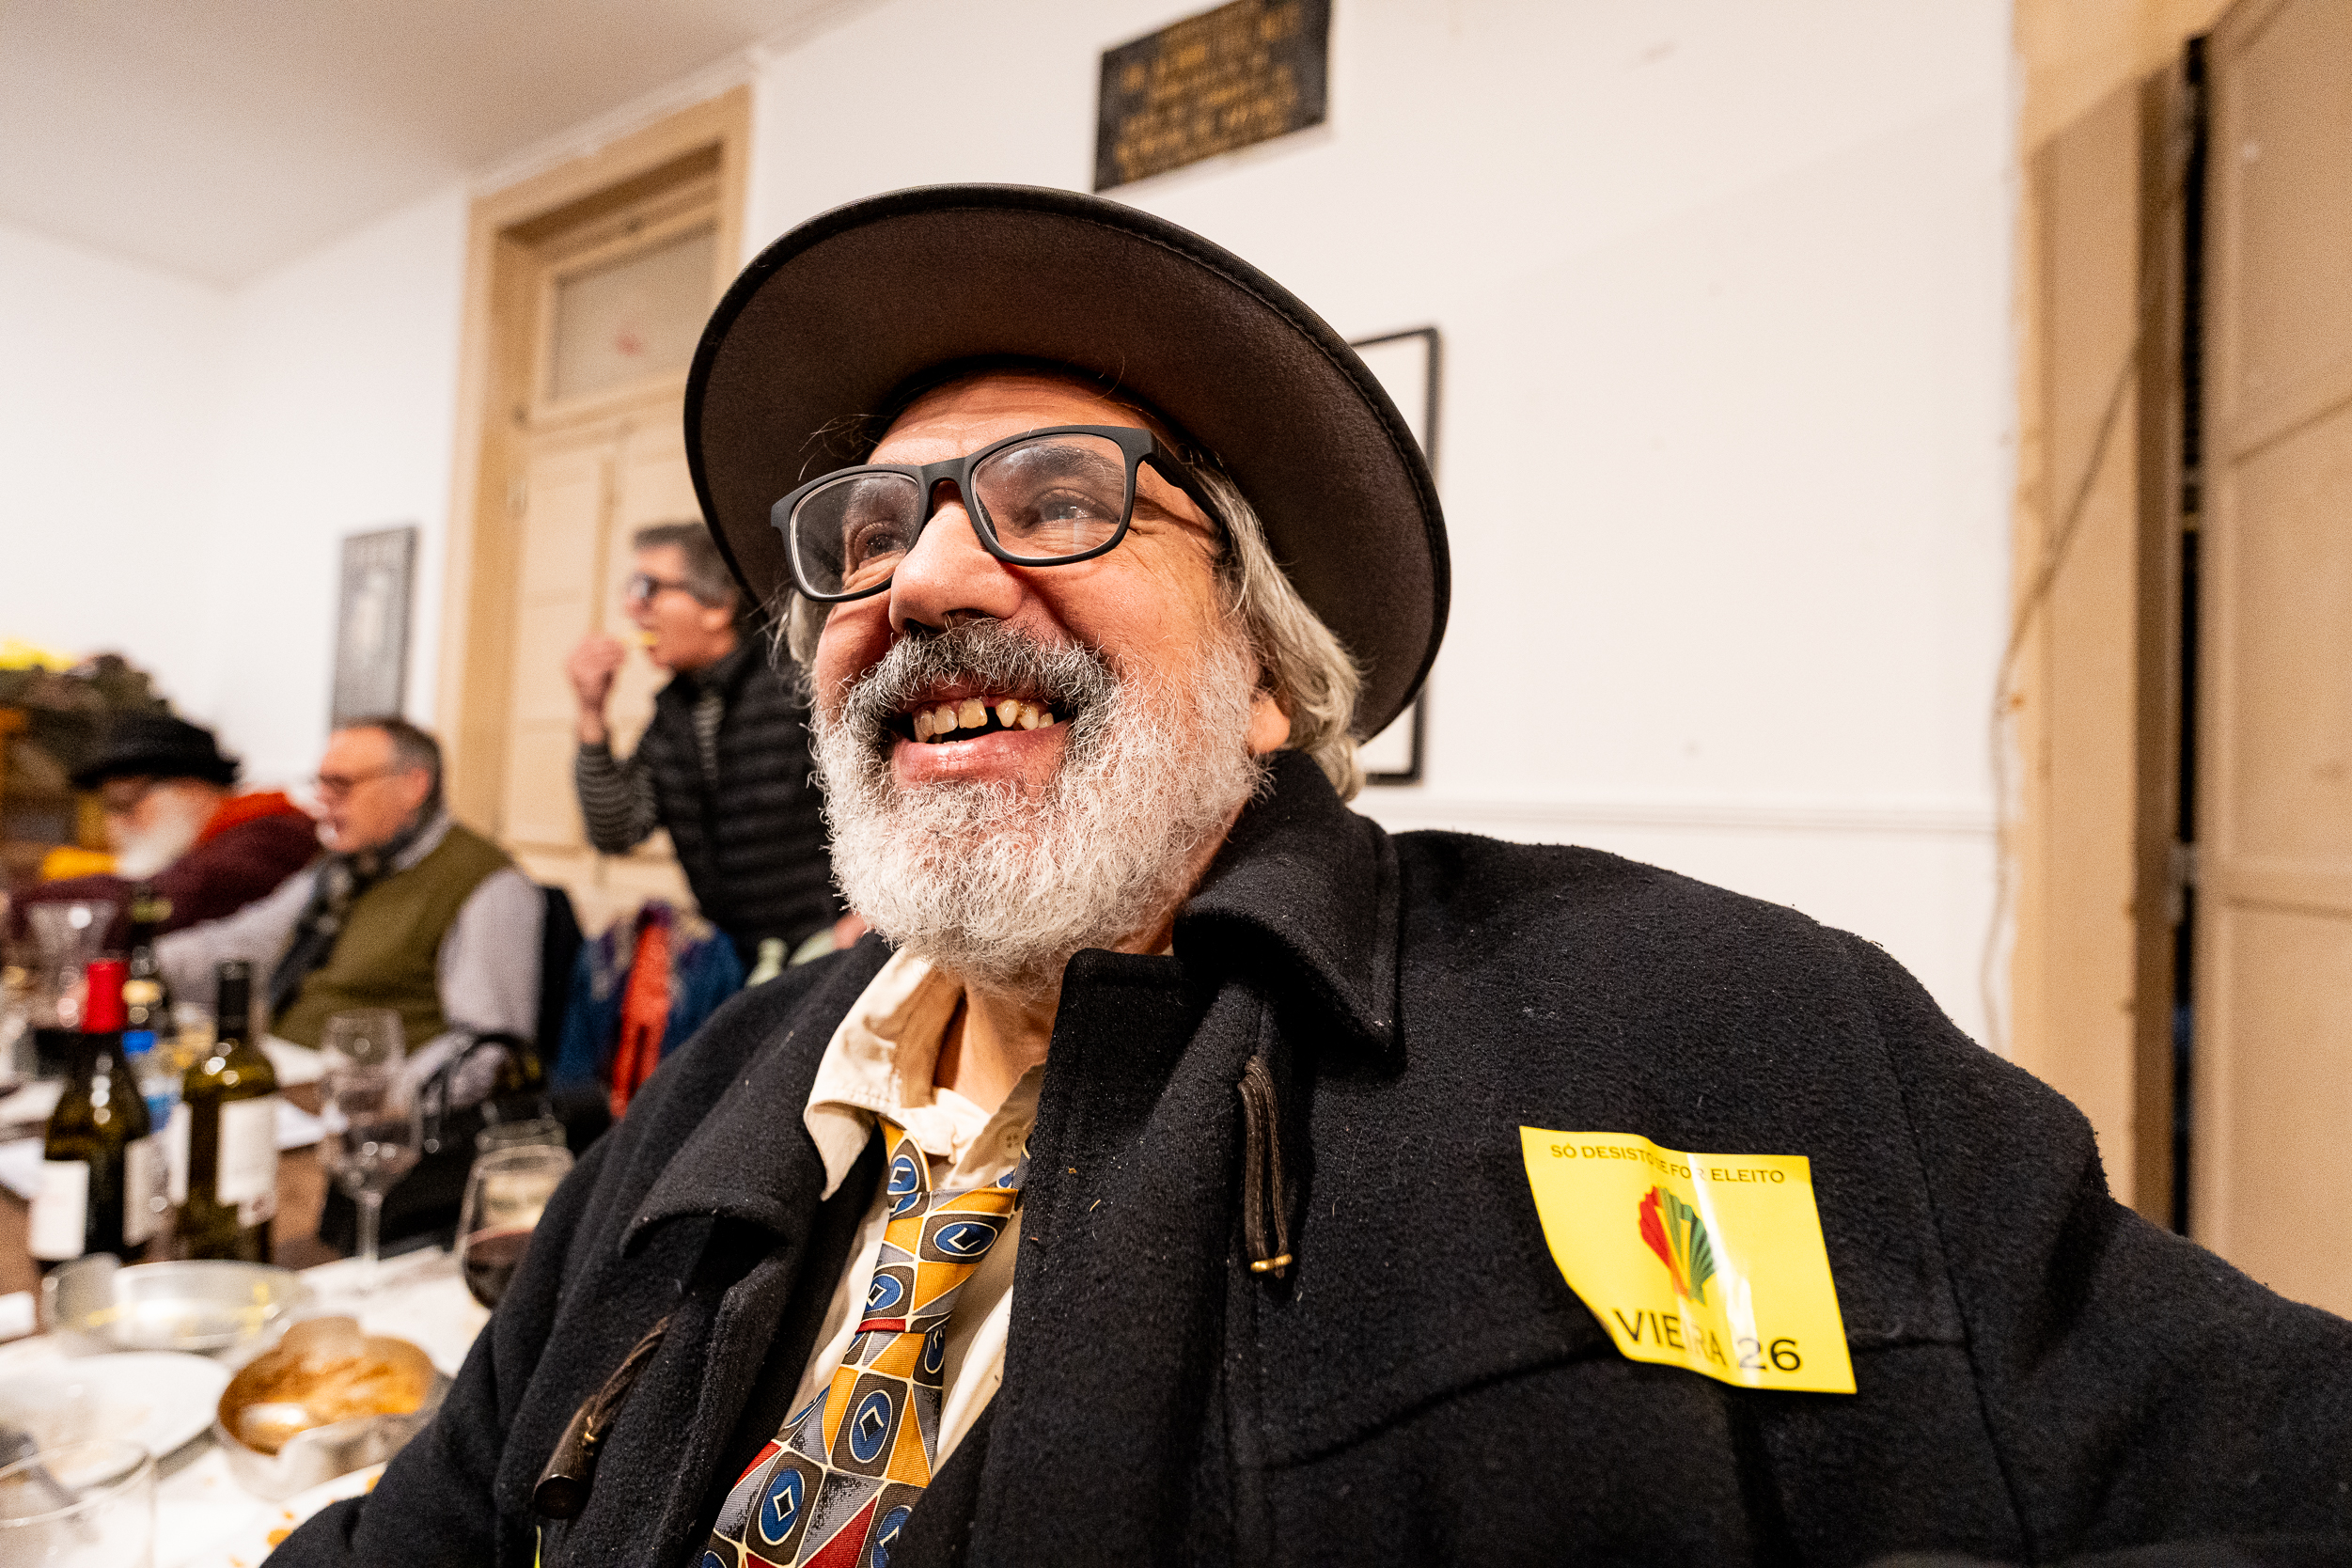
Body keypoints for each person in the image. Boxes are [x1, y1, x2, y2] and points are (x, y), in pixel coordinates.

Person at [275, 190, 2352, 1568]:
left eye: (1056, 501)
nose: (923, 577)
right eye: (872, 530)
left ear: (1268, 672)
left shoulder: (1703, 1024)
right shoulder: (726, 1083)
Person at [159, 716, 540, 1090]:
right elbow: (246, 941)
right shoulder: (344, 865)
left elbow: (486, 1047)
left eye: (340, 784)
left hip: (372, 1102)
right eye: (320, 783)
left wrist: (385, 1100)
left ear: (413, 786)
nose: (322, 799)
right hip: (289, 1073)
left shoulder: (488, 883)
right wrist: (146, 967)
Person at [567, 521, 851, 969]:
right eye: (632, 588)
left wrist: (860, 921)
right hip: (737, 963)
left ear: (716, 606)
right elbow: (617, 830)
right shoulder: (672, 715)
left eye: (648, 588)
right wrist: (591, 712)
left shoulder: (799, 682)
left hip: (833, 956)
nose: (632, 606)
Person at [13, 713, 317, 945]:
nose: (117, 821)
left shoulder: (272, 836)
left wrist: (14, 910)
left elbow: (162, 901)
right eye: (108, 806)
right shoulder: (209, 844)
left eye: (126, 800)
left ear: (192, 789)